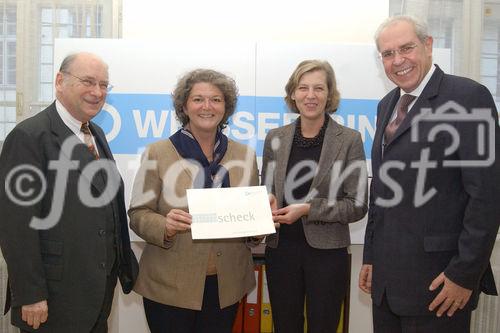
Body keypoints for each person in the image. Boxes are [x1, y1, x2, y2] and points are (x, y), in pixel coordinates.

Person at [359, 15, 500, 333]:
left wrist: (464, 274)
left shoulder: (468, 98)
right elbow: (381, 189)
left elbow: (487, 196)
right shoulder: (386, 105)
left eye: (406, 48)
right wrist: (370, 256)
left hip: (440, 285)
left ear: (428, 45)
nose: (398, 60)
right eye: (388, 53)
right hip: (386, 284)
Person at [0, 52, 138, 333]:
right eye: (88, 81)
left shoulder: (95, 133)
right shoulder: (30, 136)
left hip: (95, 294)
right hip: (52, 300)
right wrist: (30, 294)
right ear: (60, 81)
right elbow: (16, 224)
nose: (97, 92)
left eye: (103, 85)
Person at [128, 68, 260, 333]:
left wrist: (260, 223)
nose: (207, 106)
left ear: (226, 107)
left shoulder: (245, 155)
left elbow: (251, 225)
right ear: (184, 106)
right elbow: (138, 213)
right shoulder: (158, 152)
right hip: (169, 285)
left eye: (216, 99)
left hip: (226, 286)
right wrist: (164, 224)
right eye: (198, 99)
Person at [261, 59, 368, 333]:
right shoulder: (275, 138)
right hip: (280, 251)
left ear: (329, 94)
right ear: (293, 94)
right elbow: (268, 192)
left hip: (327, 256)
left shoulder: (349, 140)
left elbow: (357, 205)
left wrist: (309, 209)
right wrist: (266, 204)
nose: (311, 95)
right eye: (303, 88)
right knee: (285, 326)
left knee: (324, 326)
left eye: (319, 88)